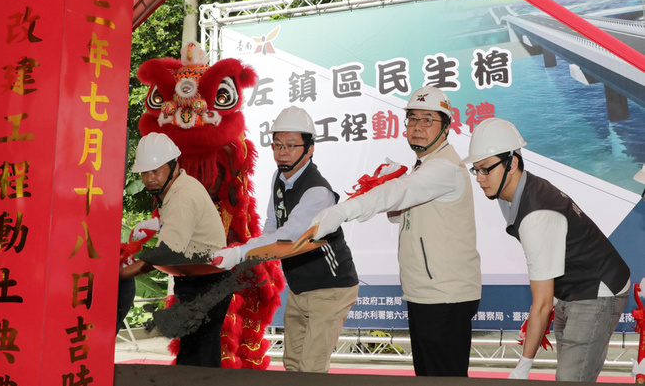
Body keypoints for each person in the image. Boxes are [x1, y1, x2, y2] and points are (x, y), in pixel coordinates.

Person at [308, 86, 482, 377]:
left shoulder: (444, 168)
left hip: (445, 295)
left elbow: (399, 193)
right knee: (428, 376)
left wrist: (340, 212)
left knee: (444, 377)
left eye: (428, 120)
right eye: (412, 119)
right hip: (425, 292)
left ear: (447, 126)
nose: (417, 127)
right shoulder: (423, 167)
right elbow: (402, 208)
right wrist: (385, 188)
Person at [461, 117, 630, 382]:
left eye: (486, 169)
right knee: (573, 374)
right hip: (571, 288)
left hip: (598, 290)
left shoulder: (536, 215)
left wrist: (524, 365)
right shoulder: (513, 191)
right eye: (476, 170)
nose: (480, 179)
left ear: (512, 163)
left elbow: (541, 304)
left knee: (571, 379)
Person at [211, 106, 359, 373]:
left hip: (331, 288)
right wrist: (250, 253)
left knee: (311, 368)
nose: (282, 151)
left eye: (291, 145)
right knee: (292, 364)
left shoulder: (317, 191)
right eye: (277, 144)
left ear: (309, 149)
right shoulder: (279, 176)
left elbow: (287, 236)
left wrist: (240, 253)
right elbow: (271, 225)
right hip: (300, 286)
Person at [125, 132, 232, 367]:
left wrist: (122, 274)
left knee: (196, 360)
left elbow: (166, 253)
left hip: (206, 284)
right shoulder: (176, 187)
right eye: (144, 172)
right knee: (199, 354)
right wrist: (156, 224)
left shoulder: (182, 196)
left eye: (156, 170)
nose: (150, 178)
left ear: (175, 166)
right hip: (202, 281)